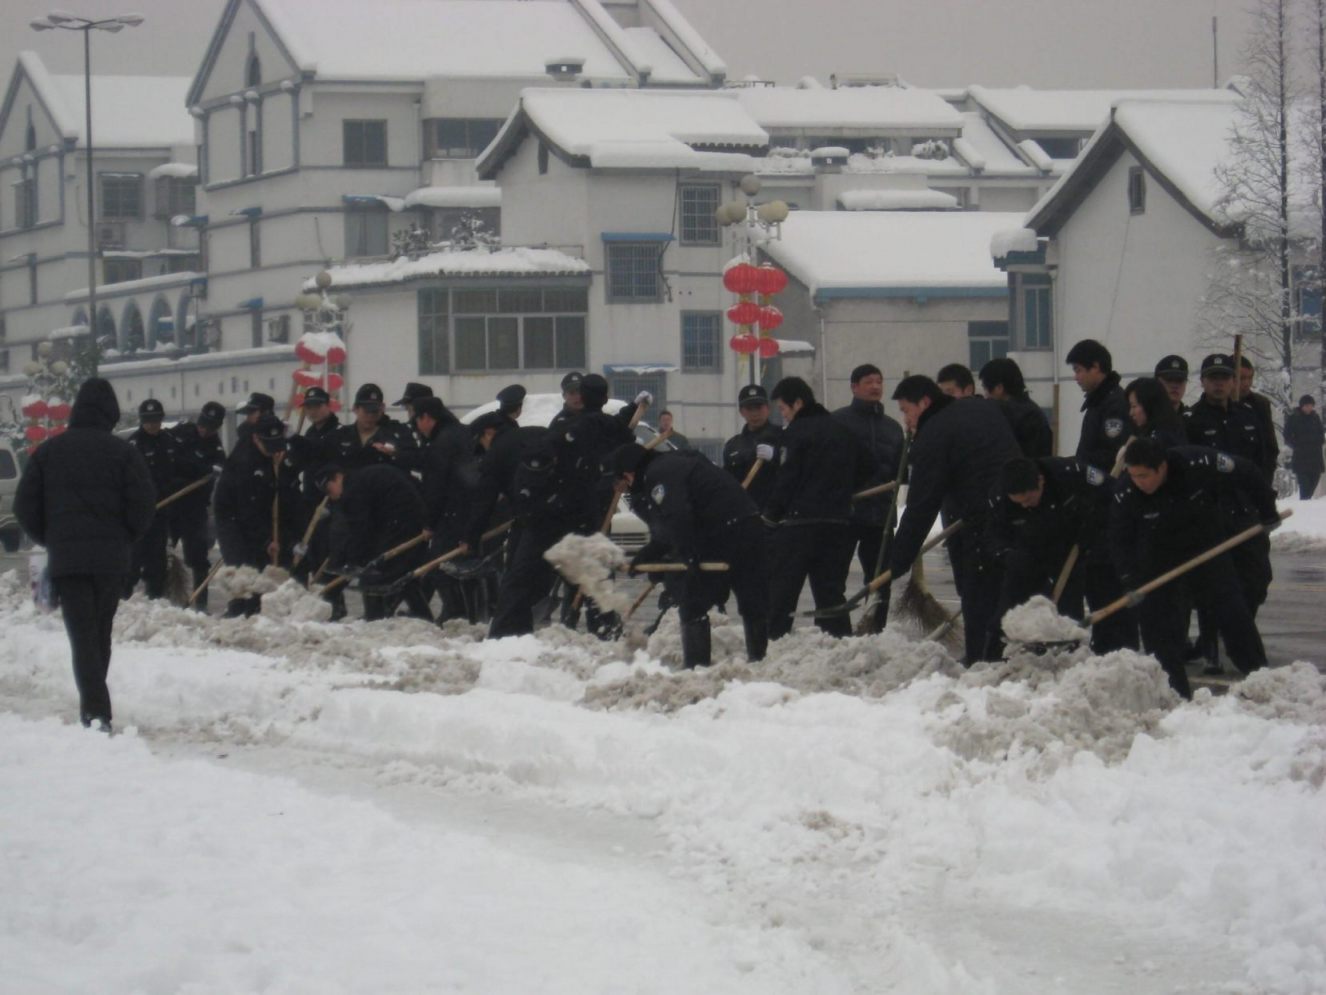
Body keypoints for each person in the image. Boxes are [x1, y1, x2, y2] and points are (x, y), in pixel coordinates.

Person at [14, 378, 156, 733]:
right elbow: (143, 504)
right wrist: (126, 538)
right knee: (100, 632)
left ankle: (94, 711)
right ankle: (96, 709)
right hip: (111, 560)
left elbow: (24, 506)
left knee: (81, 635)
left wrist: (51, 539)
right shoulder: (124, 453)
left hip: (68, 562)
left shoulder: (48, 452)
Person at [1111, 438, 1279, 699]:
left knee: (1233, 616)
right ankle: (1174, 696)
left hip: (1205, 549)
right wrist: (1130, 581)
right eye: (1133, 475)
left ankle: (1263, 681)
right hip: (1157, 559)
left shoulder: (1196, 463)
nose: (1138, 482)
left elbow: (1247, 471)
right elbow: (1120, 540)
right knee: (1158, 630)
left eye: (1144, 475)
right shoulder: (1126, 493)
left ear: (1162, 467)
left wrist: (1268, 511)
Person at [888, 375, 1020, 664]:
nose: (907, 421)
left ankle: (981, 660)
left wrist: (897, 561)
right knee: (1008, 590)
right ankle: (1008, 655)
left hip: (984, 519)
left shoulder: (935, 433)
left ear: (924, 402)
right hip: (1017, 509)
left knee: (978, 595)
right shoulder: (981, 408)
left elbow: (921, 506)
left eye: (907, 411)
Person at [613, 442, 769, 667]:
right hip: (748, 524)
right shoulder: (674, 463)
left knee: (693, 598)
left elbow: (677, 516)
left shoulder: (657, 474)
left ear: (629, 474)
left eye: (624, 483)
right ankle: (759, 660)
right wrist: (652, 553)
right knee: (751, 598)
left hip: (724, 530)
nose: (627, 489)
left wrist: (687, 554)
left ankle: (696, 668)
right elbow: (671, 525)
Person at [986, 455, 1131, 656]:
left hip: (1076, 546)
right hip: (1031, 551)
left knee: (1070, 612)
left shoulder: (1071, 473)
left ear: (1040, 481)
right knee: (1008, 609)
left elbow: (1117, 497)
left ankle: (1075, 657)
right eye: (1019, 503)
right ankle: (996, 659)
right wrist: (1007, 555)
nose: (1025, 506)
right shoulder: (999, 498)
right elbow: (994, 536)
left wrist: (1097, 525)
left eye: (1029, 499)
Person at [764, 377, 871, 640]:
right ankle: (838, 643)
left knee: (783, 590)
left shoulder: (796, 434)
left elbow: (787, 480)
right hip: (837, 524)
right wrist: (843, 489)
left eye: (784, 408)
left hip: (800, 526)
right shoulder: (843, 431)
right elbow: (869, 466)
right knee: (831, 591)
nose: (784, 415)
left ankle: (772, 643)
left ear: (798, 403)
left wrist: (770, 517)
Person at [1184, 353, 1273, 620]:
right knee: (1213, 585)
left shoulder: (1247, 417)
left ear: (1233, 381)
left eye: (1224, 378)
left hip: (1245, 511)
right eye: (1213, 378)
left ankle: (1240, 626)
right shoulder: (1192, 421)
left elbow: (1260, 464)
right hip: (1210, 513)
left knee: (1257, 580)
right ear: (1202, 382)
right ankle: (1213, 645)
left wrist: (1265, 503)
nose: (1219, 384)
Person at [552, 373, 637, 636]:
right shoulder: (563, 424)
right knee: (576, 562)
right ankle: (571, 616)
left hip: (600, 501)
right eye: (572, 392)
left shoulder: (601, 423)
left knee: (600, 561)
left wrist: (620, 475)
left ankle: (601, 621)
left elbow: (621, 446)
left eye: (580, 392)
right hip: (572, 503)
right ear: (565, 395)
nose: (576, 396)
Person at [831, 363, 904, 629]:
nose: (875, 387)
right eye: (868, 382)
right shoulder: (837, 422)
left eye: (879, 381)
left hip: (881, 514)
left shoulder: (894, 428)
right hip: (846, 513)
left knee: (880, 579)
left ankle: (874, 627)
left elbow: (900, 470)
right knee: (833, 577)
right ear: (854, 387)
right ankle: (836, 630)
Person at [320, 463, 433, 622]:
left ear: (338, 477)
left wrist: (355, 561)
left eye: (328, 490)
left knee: (372, 571)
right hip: (408, 519)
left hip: (399, 521)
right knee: (402, 574)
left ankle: (375, 619)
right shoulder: (363, 478)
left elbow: (360, 529)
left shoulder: (353, 490)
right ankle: (422, 617)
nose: (331, 496)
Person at [213, 413, 299, 617]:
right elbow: (247, 510)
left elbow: (287, 499)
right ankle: (239, 612)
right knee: (244, 569)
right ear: (255, 439)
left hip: (262, 517)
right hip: (233, 521)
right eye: (267, 444)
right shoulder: (243, 464)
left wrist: (288, 538)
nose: (273, 450)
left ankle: (263, 611)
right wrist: (266, 540)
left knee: (268, 568)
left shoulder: (278, 457)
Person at [414, 395, 480, 622]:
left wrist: (429, 523)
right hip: (472, 509)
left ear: (426, 418)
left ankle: (454, 611)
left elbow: (435, 488)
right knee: (462, 566)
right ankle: (468, 612)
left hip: (451, 512)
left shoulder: (441, 443)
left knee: (440, 563)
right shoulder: (462, 433)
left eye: (417, 421)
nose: (417, 427)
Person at [285, 386, 345, 615]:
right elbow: (301, 458)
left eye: (317, 406)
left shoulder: (338, 432)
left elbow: (319, 451)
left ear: (327, 406)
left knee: (325, 554)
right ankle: (303, 601)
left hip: (329, 502)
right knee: (304, 553)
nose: (312, 411)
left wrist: (295, 439)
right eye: (308, 407)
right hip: (309, 501)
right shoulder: (310, 433)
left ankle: (333, 603)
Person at [169, 401, 227, 610]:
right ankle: (161, 598)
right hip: (172, 502)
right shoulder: (181, 432)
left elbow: (220, 466)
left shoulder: (216, 447)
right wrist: (198, 467)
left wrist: (207, 470)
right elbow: (171, 458)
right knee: (163, 552)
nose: (204, 430)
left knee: (198, 558)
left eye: (210, 428)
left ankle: (200, 603)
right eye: (203, 425)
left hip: (194, 508)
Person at [127, 398, 181, 599]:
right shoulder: (133, 445)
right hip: (140, 513)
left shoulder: (169, 441)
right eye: (148, 420)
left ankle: (155, 597)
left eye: (156, 420)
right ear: (142, 420)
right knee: (133, 560)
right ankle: (125, 600)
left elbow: (178, 470)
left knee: (157, 561)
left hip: (163, 511)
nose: (152, 424)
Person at [1066, 338, 1133, 472]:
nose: (1076, 377)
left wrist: (1077, 465)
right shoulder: (1098, 401)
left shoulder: (1115, 404)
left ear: (1095, 367)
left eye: (1078, 370)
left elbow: (1113, 454)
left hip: (1103, 485)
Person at [330, 383, 416, 473]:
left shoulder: (397, 434)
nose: (370, 416)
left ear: (382, 408)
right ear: (355, 408)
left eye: (375, 411)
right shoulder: (340, 435)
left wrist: (395, 454)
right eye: (366, 411)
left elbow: (412, 460)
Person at [722, 383, 782, 512]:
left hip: (774, 514)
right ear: (741, 412)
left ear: (768, 408)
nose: (755, 413)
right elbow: (728, 482)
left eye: (759, 407)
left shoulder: (783, 436)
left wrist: (776, 456)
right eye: (749, 408)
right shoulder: (733, 445)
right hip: (745, 514)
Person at [979, 357, 1053, 458]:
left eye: (985, 388)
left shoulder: (1006, 416)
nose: (985, 396)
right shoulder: (1033, 412)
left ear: (999, 388)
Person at [1238, 357, 1281, 484]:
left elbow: (1270, 445)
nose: (1246, 383)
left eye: (1249, 378)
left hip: (1256, 478)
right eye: (1241, 378)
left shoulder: (1260, 404)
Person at [1125, 377, 1187, 448]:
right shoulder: (1146, 431)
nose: (1131, 413)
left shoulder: (1160, 439)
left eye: (1134, 406)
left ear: (1149, 404)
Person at [1285, 394, 1324, 499]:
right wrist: (1297, 444)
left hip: (1315, 457)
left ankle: (1307, 501)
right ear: (1302, 406)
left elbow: (1321, 433)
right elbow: (1287, 435)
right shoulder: (1294, 417)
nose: (1309, 408)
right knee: (1304, 484)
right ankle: (1304, 504)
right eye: (1307, 405)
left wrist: (1319, 441)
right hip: (1301, 457)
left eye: (1311, 405)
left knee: (1315, 479)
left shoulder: (1315, 418)